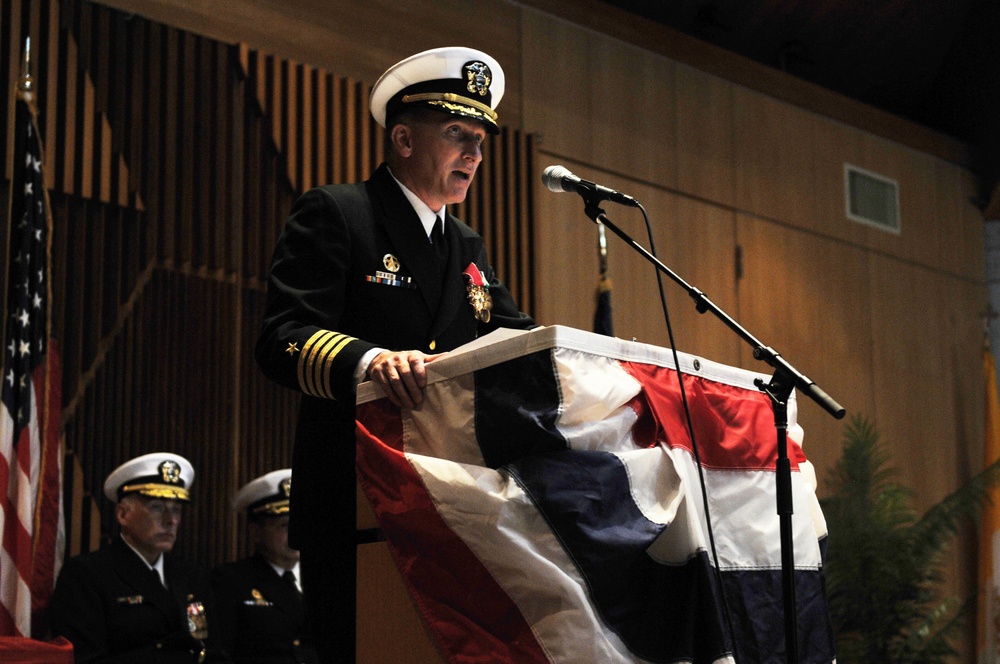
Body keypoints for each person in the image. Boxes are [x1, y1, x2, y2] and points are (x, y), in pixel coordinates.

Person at [254, 46, 536, 659]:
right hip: (355, 501)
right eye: (457, 134)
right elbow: (281, 337)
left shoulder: (467, 244)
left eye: (481, 142)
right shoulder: (340, 213)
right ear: (404, 139)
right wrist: (369, 360)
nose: (474, 155)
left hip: (449, 507)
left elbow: (515, 341)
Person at [49, 452, 229, 663]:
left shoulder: (189, 575)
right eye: (157, 507)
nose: (170, 520)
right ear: (123, 514)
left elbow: (214, 651)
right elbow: (85, 658)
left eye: (176, 510)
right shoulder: (87, 575)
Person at [210, 469, 318, 664]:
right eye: (285, 526)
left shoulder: (323, 579)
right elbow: (220, 653)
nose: (296, 534)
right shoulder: (231, 581)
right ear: (257, 532)